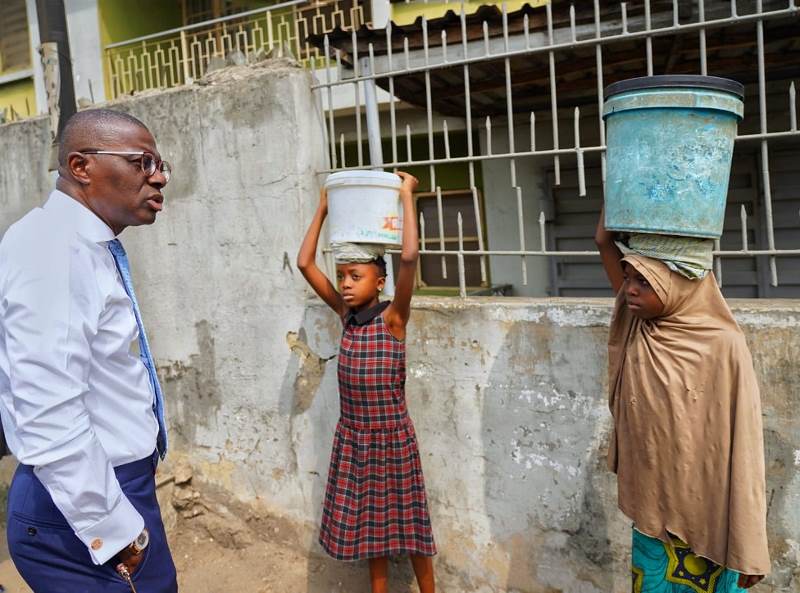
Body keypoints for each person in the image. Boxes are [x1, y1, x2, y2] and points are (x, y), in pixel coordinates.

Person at [0, 109, 178, 592]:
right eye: (143, 162)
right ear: (81, 167)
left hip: (108, 487)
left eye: (159, 164)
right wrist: (111, 528)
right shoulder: (52, 249)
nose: (158, 176)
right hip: (78, 506)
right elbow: (46, 408)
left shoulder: (83, 246)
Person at [595, 207, 770, 592]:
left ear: (679, 285)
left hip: (711, 521)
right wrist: (622, 185)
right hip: (653, 518)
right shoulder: (639, 326)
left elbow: (746, 451)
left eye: (644, 280)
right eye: (627, 278)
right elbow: (603, 242)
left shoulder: (723, 346)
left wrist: (751, 542)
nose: (630, 290)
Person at [297, 172, 436, 593]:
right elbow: (304, 263)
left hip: (393, 439)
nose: (345, 284)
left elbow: (409, 257)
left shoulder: (394, 319)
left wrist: (407, 196)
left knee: (411, 527)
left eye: (355, 276)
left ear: (380, 282)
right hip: (355, 439)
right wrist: (323, 207)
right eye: (342, 276)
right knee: (372, 530)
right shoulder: (346, 317)